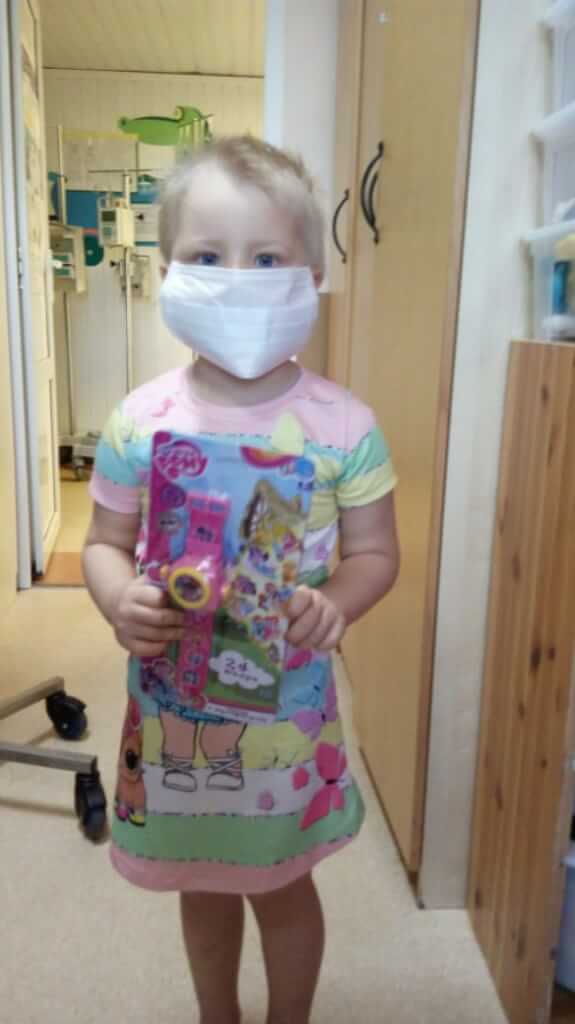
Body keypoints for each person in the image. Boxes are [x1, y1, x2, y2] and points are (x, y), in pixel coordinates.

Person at [82, 135, 400, 1024]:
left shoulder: (343, 426)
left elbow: (376, 554)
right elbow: (104, 542)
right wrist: (115, 597)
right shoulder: (138, 421)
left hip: (285, 717)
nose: (237, 278)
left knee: (282, 883)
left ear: (310, 275)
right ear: (167, 273)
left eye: (265, 258)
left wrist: (334, 604)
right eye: (207, 255)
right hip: (174, 707)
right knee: (202, 882)